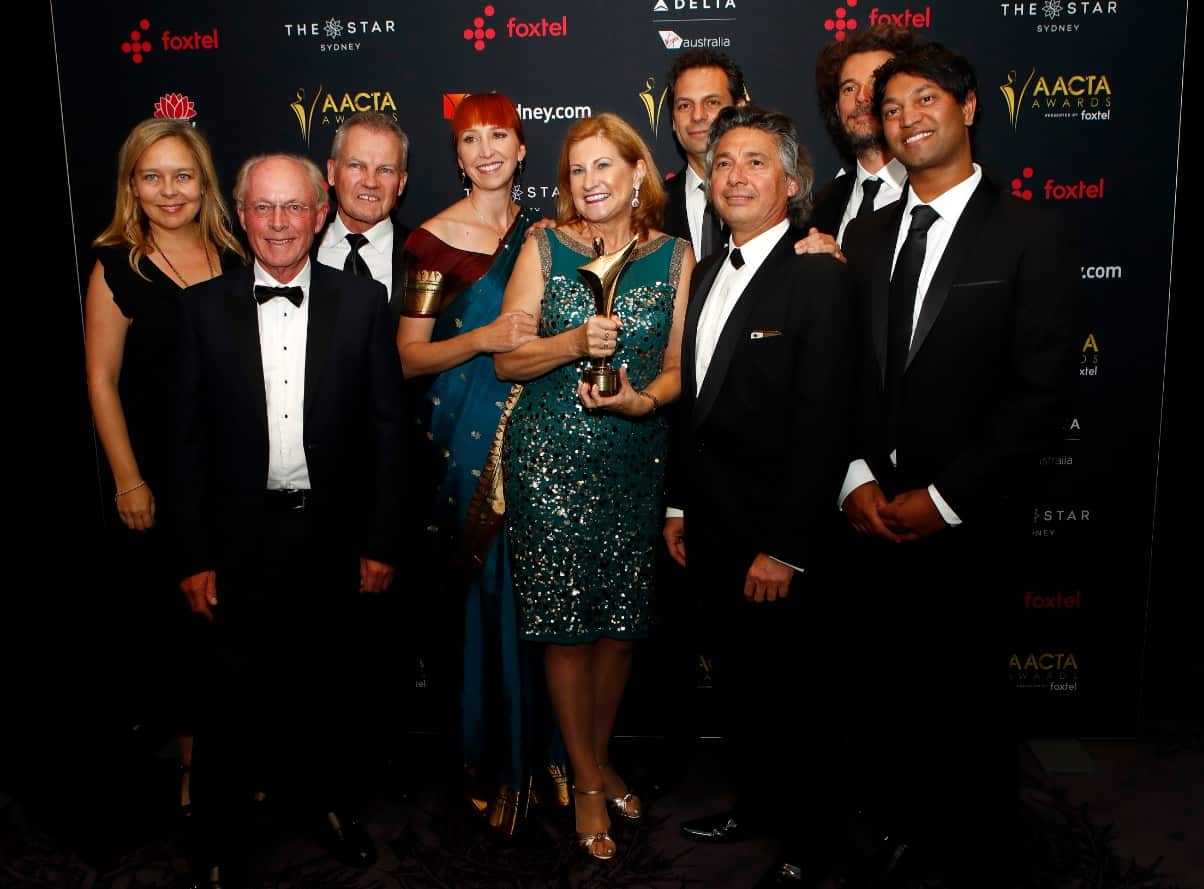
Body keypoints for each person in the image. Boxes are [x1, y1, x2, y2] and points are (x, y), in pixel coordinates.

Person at [839, 43, 1079, 886]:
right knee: (884, 698)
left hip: (969, 521)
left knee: (968, 706)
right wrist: (857, 477)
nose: (906, 118)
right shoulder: (862, 237)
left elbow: (1042, 389)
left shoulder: (1031, 232)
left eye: (925, 99)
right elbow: (841, 375)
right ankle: (896, 836)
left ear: (970, 107)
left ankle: (971, 854)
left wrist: (943, 498)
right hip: (868, 518)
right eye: (891, 107)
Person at [172, 153, 405, 887]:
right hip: (237, 539)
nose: (279, 223)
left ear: (321, 213)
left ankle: (329, 807)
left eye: (293, 208)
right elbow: (183, 444)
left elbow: (385, 431)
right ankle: (216, 835)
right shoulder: (200, 309)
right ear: (241, 217)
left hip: (329, 533)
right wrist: (192, 553)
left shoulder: (362, 304)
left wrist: (378, 539)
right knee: (226, 700)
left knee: (329, 688)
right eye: (264, 208)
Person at [664, 104, 858, 889]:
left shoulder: (817, 274)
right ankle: (756, 804)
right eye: (724, 163)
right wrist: (678, 504)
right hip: (710, 528)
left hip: (776, 541)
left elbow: (826, 420)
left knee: (796, 698)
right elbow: (695, 405)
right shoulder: (708, 269)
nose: (735, 175)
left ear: (790, 180)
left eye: (754, 161)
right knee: (742, 686)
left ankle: (813, 842)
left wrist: (786, 546)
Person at [495, 112, 693, 860]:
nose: (591, 183)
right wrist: (569, 342)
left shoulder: (676, 255)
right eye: (578, 170)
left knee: (619, 625)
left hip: (634, 456)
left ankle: (599, 754)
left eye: (604, 167)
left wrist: (642, 399)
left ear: (637, 172)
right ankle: (582, 777)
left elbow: (680, 367)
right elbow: (508, 363)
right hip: (548, 459)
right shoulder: (543, 246)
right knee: (567, 627)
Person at [396, 92, 567, 835]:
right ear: (457, 155)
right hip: (469, 455)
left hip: (551, 444)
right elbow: (408, 358)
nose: (488, 150)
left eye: (502, 136)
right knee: (488, 600)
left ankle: (556, 755)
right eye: (473, 139)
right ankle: (491, 759)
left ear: (522, 150)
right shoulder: (432, 241)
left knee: (544, 598)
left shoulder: (551, 232)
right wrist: (483, 337)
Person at [84, 117, 246, 822]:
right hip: (157, 476)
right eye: (152, 176)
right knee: (183, 633)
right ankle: (192, 773)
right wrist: (127, 477)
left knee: (236, 626)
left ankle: (239, 759)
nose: (169, 190)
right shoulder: (116, 263)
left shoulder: (233, 253)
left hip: (232, 476)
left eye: (182, 175)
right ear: (132, 185)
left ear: (203, 183)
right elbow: (99, 378)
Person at [807, 23, 920, 246]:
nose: (861, 97)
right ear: (837, 110)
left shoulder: (936, 191)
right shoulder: (819, 208)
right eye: (849, 88)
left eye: (876, 83)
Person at [316, 110, 412, 318]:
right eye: (356, 166)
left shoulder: (423, 257)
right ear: (331, 172)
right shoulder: (299, 247)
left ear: (401, 183)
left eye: (385, 170)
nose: (370, 182)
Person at [662, 48, 747, 263]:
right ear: (673, 120)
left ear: (739, 111)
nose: (698, 115)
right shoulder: (651, 210)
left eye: (712, 102)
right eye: (685, 105)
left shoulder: (772, 198)